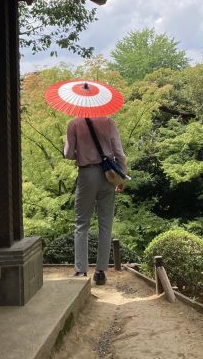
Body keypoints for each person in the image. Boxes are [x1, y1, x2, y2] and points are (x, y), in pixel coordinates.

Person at [63, 114, 127, 285]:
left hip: (87, 174)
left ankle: (80, 270)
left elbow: (68, 154)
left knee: (82, 223)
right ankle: (100, 272)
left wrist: (77, 149)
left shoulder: (74, 123)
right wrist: (121, 177)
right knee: (105, 224)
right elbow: (120, 153)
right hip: (109, 174)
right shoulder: (109, 122)